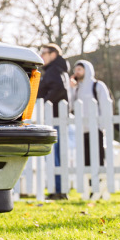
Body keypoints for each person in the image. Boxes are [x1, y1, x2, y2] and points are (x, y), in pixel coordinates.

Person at [36, 43, 70, 198]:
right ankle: (59, 189)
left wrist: (44, 104)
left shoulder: (53, 70)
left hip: (53, 117)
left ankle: (58, 189)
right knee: (58, 154)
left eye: (44, 52)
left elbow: (58, 89)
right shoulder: (58, 70)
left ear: (53, 54)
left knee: (54, 154)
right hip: (57, 116)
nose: (41, 55)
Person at [69, 59, 111, 168]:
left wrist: (102, 126)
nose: (76, 72)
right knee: (85, 162)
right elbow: (71, 106)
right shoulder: (76, 88)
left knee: (98, 160)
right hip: (82, 130)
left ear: (87, 70)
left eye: (79, 69)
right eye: (75, 70)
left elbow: (105, 106)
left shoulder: (98, 86)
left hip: (96, 128)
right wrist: (71, 89)